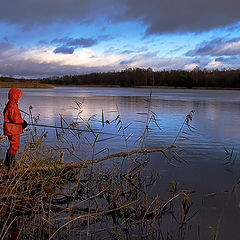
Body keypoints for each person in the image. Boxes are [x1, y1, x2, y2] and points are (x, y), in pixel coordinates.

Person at [3, 88, 27, 168]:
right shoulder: (12, 105)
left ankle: (7, 163)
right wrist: (23, 122)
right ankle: (11, 164)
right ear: (15, 96)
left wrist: (22, 123)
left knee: (13, 146)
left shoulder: (11, 103)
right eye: (18, 96)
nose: (19, 97)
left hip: (12, 129)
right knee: (14, 146)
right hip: (12, 130)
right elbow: (15, 119)